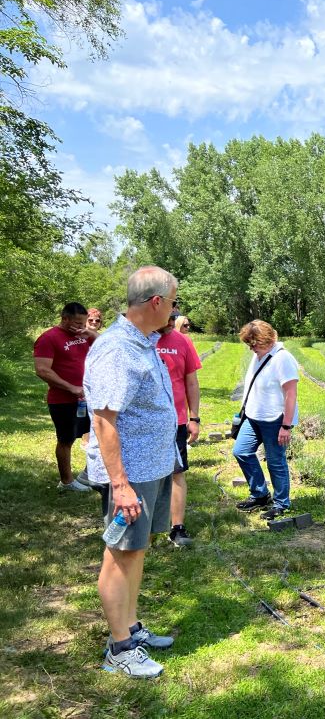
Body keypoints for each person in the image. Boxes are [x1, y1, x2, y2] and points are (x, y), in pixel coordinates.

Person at [84, 266, 181, 678]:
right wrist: (120, 485)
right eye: (174, 302)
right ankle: (119, 648)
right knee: (120, 554)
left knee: (136, 551)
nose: (176, 310)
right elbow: (104, 420)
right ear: (156, 302)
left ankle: (131, 627)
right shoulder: (117, 349)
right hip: (132, 473)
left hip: (152, 467)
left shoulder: (143, 342)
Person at [232, 320, 300, 520]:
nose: (251, 348)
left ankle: (281, 503)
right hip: (254, 416)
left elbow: (291, 394)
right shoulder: (259, 356)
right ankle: (260, 494)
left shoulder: (282, 358)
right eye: (249, 344)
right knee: (241, 451)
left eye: (254, 343)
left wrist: (285, 426)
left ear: (267, 339)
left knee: (275, 461)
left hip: (275, 419)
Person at [33, 302, 97, 490]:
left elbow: (106, 347)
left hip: (87, 398)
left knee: (97, 435)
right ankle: (67, 481)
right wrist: (71, 388)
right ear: (65, 318)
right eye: (77, 323)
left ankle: (89, 474)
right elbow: (42, 370)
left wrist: (91, 333)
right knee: (66, 439)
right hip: (63, 400)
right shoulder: (48, 338)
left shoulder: (84, 335)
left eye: (84, 323)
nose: (81, 327)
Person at [155, 312, 202, 546]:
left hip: (176, 420)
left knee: (177, 472)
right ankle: (145, 527)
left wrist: (194, 417)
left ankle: (177, 527)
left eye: (172, 322)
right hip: (145, 422)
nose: (169, 326)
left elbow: (191, 381)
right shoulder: (140, 339)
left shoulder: (182, 341)